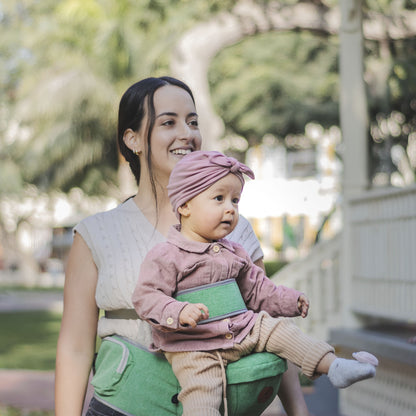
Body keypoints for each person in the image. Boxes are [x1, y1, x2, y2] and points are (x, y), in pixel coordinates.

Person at [55, 76, 315, 416]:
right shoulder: (96, 234)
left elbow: (262, 321)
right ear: (132, 139)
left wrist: (297, 410)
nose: (187, 133)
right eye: (168, 122)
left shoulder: (236, 228)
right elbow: (75, 347)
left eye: (193, 122)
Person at [133, 150, 378, 416]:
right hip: (194, 346)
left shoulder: (234, 251)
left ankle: (333, 366)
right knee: (201, 395)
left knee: (280, 329)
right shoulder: (166, 254)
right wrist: (177, 311)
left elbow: (258, 290)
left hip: (242, 329)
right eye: (219, 198)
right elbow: (146, 296)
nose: (230, 208)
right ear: (184, 206)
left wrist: (288, 300)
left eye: (235, 200)